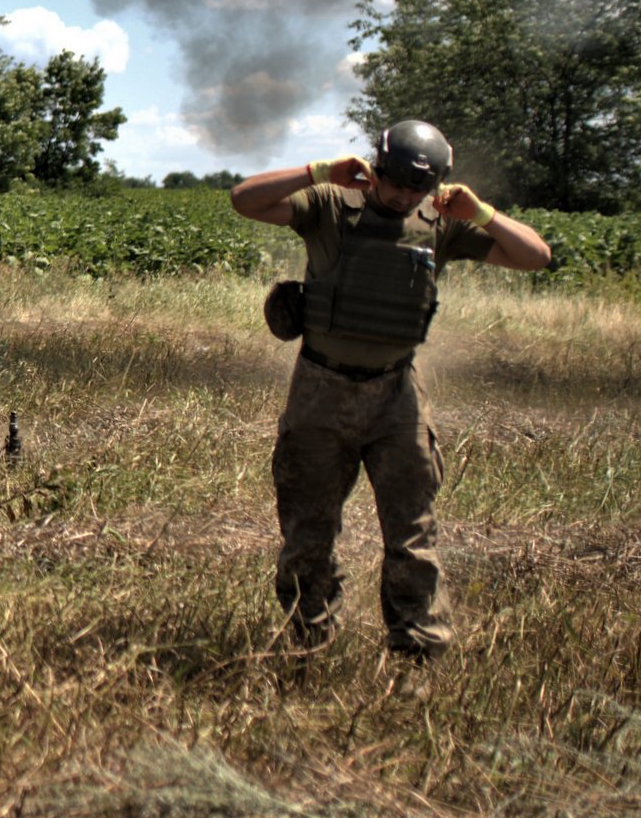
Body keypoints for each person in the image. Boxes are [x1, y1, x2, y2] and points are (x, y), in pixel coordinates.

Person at [230, 119, 551, 658]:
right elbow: (244, 200)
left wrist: (482, 214)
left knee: (412, 537)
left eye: (417, 188)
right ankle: (306, 644)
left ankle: (417, 654)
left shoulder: (440, 223)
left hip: (397, 397)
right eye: (395, 182)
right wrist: (317, 172)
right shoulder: (333, 205)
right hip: (320, 390)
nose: (403, 196)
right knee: (308, 534)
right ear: (375, 170)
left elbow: (535, 256)